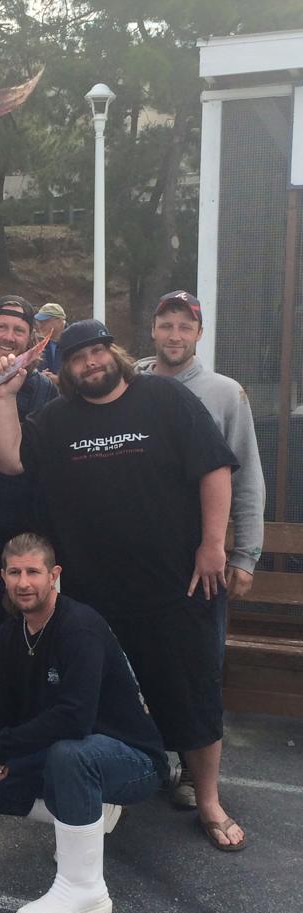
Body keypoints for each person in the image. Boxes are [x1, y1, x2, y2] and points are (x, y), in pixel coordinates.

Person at [0, 319, 247, 852]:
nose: (90, 364)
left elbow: (215, 469)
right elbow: (9, 460)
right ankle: (100, 789)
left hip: (176, 585)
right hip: (91, 599)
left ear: (115, 353)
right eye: (78, 358)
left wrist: (214, 545)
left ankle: (208, 799)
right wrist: (7, 395)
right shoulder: (56, 418)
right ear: (67, 369)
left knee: (192, 691)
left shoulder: (165, 398)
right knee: (90, 700)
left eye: (98, 352)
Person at [0, 533, 167, 913]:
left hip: (133, 759)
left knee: (71, 756)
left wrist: (3, 747)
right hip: (77, 752)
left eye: (33, 572)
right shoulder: (8, 635)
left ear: (54, 575)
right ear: (2, 577)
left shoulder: (80, 626)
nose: (24, 582)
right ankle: (89, 809)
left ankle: (85, 890)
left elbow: (75, 718)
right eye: (14, 572)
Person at [137, 290, 266, 810]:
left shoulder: (225, 393)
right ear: (153, 329)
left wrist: (245, 555)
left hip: (202, 564)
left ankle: (196, 773)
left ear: (199, 333)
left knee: (198, 671)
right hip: (140, 561)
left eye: (184, 327)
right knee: (140, 667)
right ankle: (151, 759)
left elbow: (249, 478)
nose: (174, 336)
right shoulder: (129, 387)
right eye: (166, 325)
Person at [0, 296, 58, 558]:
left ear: (30, 338)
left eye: (19, 330)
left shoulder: (44, 390)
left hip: (22, 531)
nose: (9, 337)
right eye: (1, 327)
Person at [34, 302, 67, 382]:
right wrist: (39, 376)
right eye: (39, 321)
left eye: (45, 321)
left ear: (59, 321)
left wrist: (60, 380)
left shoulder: (75, 342)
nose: (40, 325)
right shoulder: (38, 344)